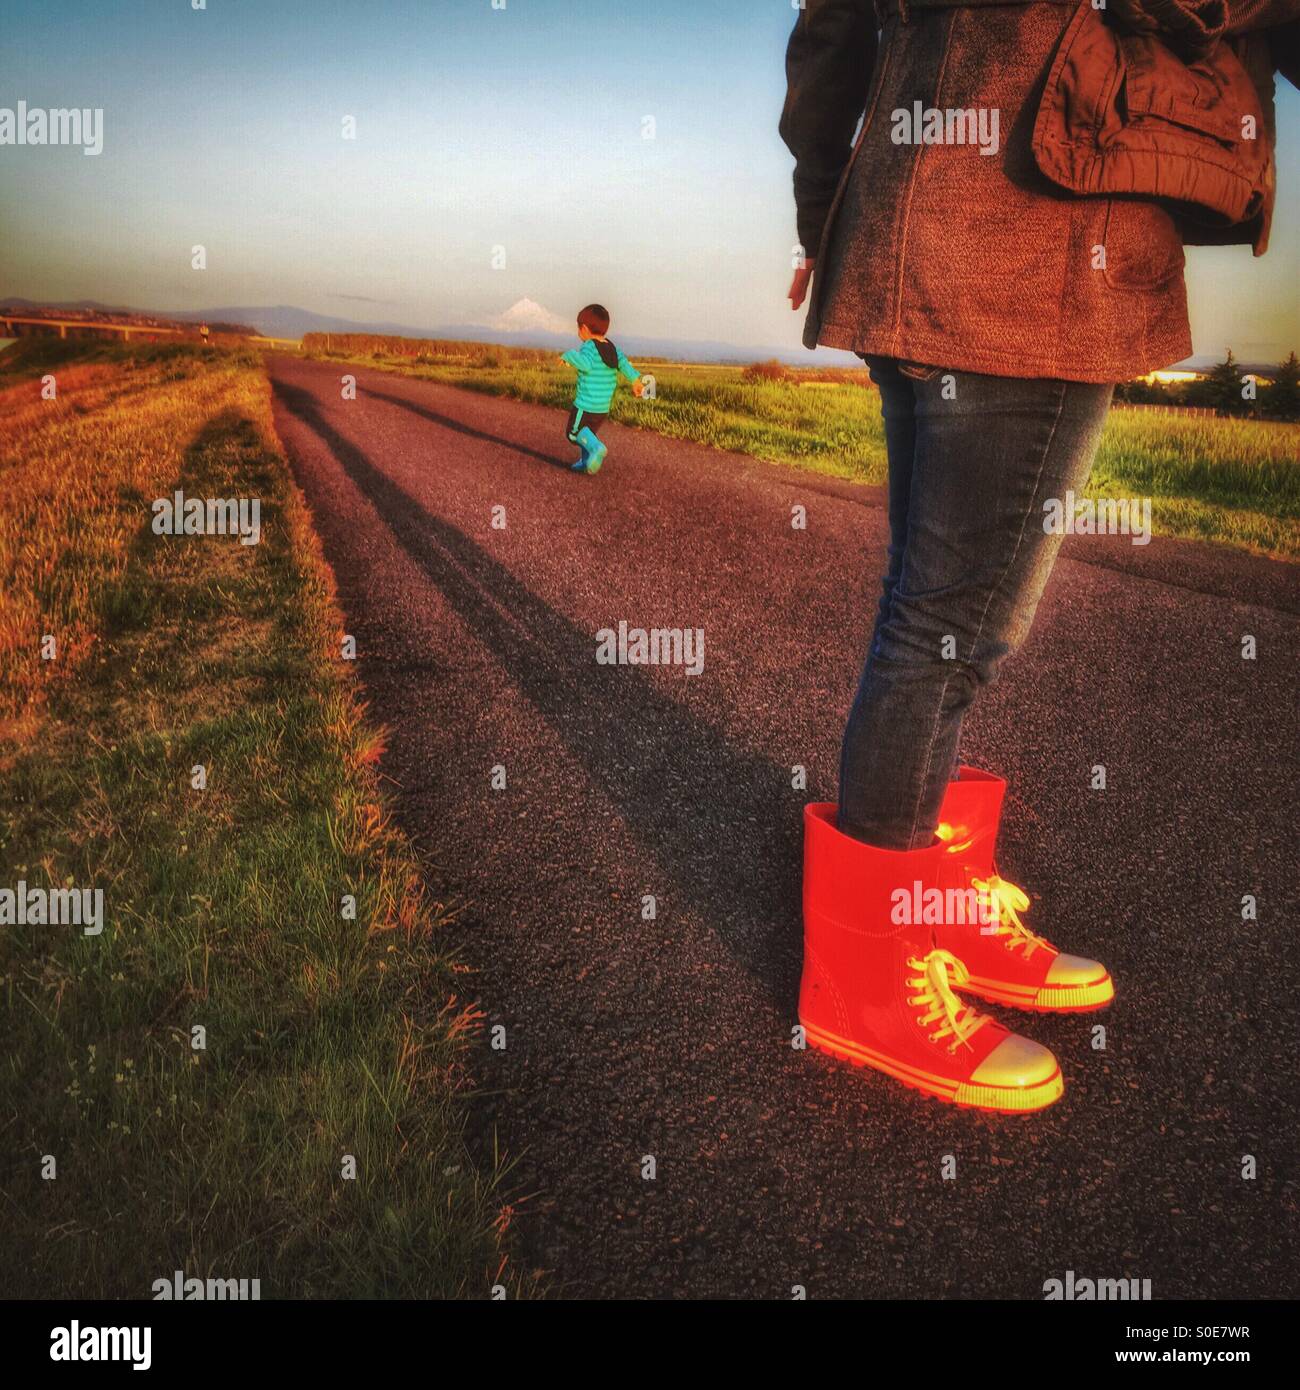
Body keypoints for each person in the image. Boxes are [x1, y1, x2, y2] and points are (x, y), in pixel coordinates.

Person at [780, 0, 1297, 1111]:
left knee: (931, 615)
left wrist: (828, 221)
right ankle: (864, 983)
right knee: (950, 626)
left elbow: (828, 42)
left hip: (905, 234)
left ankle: (933, 903)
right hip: (1035, 241)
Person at [560, 304, 644, 474]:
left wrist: (568, 355)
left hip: (586, 404)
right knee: (587, 434)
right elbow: (624, 365)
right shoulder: (612, 348)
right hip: (602, 408)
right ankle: (586, 463)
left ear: (583, 328)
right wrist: (636, 380)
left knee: (574, 433)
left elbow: (585, 364)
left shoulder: (589, 346)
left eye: (578, 327)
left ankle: (597, 448)